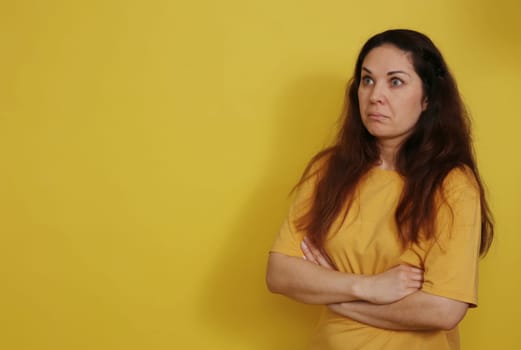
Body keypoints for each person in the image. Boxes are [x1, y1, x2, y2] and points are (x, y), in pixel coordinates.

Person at [266, 29, 494, 350]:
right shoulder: (328, 169)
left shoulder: (452, 184)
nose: (375, 95)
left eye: (396, 81)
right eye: (367, 80)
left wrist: (337, 298)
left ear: (428, 98)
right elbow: (279, 273)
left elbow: (443, 309)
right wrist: (369, 287)